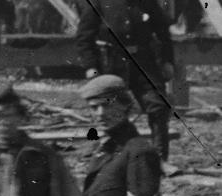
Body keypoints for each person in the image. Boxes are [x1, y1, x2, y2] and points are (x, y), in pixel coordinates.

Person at [75, 0, 175, 172]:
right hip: (112, 62)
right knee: (111, 110)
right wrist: (91, 65)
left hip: (143, 62)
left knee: (158, 106)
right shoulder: (100, 2)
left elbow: (163, 32)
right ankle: (116, 156)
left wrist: (167, 61)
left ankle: (159, 160)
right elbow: (84, 37)